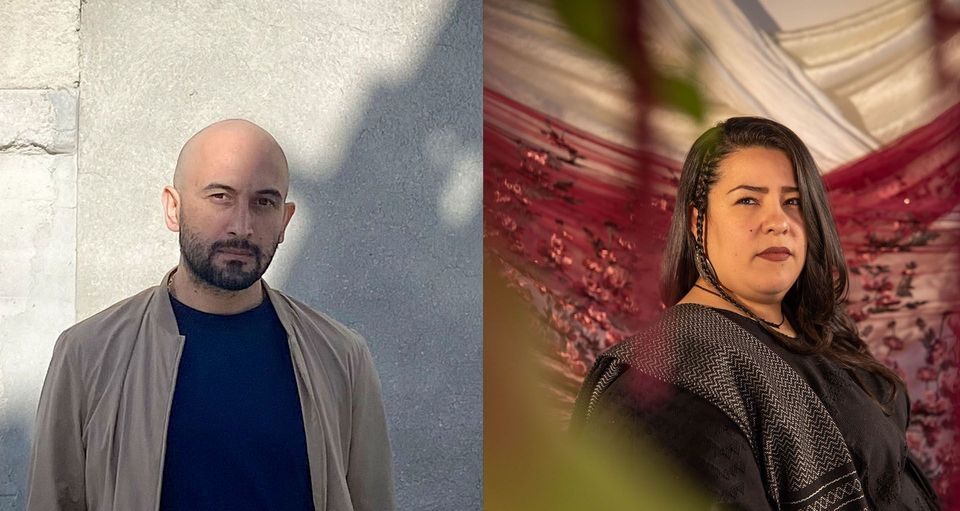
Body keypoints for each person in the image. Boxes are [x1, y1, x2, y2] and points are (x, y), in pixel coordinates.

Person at [571, 117, 940, 510]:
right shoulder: (666, 381)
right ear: (699, 223)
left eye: (793, 201)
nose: (778, 222)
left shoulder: (819, 334)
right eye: (748, 200)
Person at [26, 119, 396, 511]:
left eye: (264, 202)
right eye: (220, 196)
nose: (242, 226)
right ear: (173, 207)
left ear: (285, 221)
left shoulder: (340, 357)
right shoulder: (89, 354)